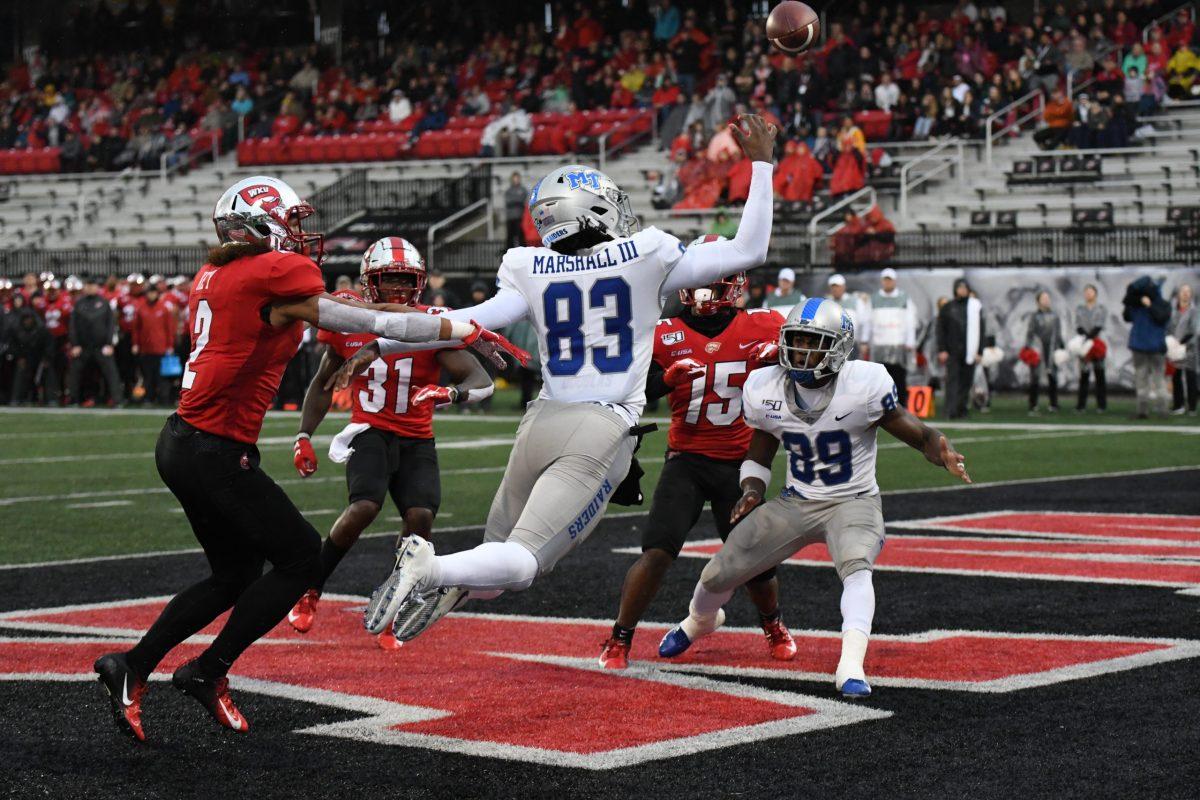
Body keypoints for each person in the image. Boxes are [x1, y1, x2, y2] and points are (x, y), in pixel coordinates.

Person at [92, 175, 523, 743]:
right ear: (259, 224)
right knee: (297, 560)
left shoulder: (219, 271)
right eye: (291, 223)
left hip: (185, 441)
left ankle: (134, 667)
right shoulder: (271, 273)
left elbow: (362, 325)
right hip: (214, 448)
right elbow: (379, 324)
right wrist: (465, 324)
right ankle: (206, 671)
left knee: (237, 572)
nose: (301, 236)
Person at [341, 115, 779, 643]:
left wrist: (380, 343)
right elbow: (749, 250)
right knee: (524, 564)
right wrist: (762, 163)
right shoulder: (648, 254)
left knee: (493, 568)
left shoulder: (528, 265)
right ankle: (431, 569)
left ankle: (446, 583)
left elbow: (467, 319)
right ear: (595, 209)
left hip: (541, 422)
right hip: (599, 426)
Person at [657, 299, 971, 697]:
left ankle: (851, 663)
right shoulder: (765, 386)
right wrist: (752, 488)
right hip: (797, 499)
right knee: (723, 567)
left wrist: (940, 451)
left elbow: (918, 433)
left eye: (812, 343)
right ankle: (698, 621)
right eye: (796, 341)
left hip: (852, 499)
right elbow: (763, 442)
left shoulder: (864, 384)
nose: (801, 352)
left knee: (856, 567)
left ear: (839, 348)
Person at [288, 238, 493, 647]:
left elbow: (479, 379)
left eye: (405, 282)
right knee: (364, 504)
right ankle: (311, 587)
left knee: (420, 520)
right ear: (370, 284)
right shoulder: (349, 322)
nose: (399, 290)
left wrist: (451, 394)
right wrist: (303, 435)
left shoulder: (430, 327)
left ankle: (399, 603)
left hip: (417, 437)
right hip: (369, 430)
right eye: (390, 281)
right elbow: (323, 383)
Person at [598, 241, 791, 670]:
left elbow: (808, 366)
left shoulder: (764, 325)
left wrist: (782, 361)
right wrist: (665, 379)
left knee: (754, 559)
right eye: (699, 285)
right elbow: (631, 393)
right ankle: (619, 638)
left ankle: (773, 624)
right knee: (657, 551)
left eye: (713, 285)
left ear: (734, 285)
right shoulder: (663, 332)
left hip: (740, 464)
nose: (704, 293)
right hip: (685, 459)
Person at [67, 275, 123, 406]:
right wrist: (75, 344)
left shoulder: (104, 303)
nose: (90, 288)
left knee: (111, 372)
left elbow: (110, 325)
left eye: (93, 285)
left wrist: (109, 344)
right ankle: (73, 399)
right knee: (75, 372)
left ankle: (117, 399)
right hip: (83, 346)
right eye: (88, 285)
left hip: (101, 345)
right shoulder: (79, 304)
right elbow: (73, 326)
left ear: (97, 287)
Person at [1122, 275, 1171, 419]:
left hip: (1142, 346)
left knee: (1146, 379)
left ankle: (1147, 411)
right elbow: (1127, 315)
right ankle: (1158, 411)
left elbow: (1160, 317)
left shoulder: (1142, 306)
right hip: (1152, 346)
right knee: (1155, 379)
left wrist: (1145, 304)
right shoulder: (1163, 304)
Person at [867, 268, 917, 407]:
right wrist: (867, 340)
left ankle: (901, 405)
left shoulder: (904, 298)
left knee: (899, 378)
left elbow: (910, 320)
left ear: (894, 281)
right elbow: (868, 321)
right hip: (879, 345)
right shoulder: (874, 298)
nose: (887, 282)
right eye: (885, 280)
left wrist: (909, 341)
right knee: (880, 379)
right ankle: (881, 406)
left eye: (890, 280)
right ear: (882, 281)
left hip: (898, 344)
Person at [937, 278, 985, 419]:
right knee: (952, 381)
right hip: (952, 351)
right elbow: (941, 330)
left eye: (965, 288)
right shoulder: (948, 308)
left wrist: (979, 351)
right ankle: (950, 410)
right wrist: (942, 349)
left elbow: (981, 330)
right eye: (960, 287)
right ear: (955, 289)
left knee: (966, 381)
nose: (962, 290)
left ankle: (961, 409)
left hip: (969, 351)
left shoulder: (975, 308)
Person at [131, 282, 176, 406]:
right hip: (146, 349)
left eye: (153, 292)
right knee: (148, 376)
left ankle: (163, 398)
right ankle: (149, 398)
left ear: (157, 293)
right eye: (149, 293)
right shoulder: (141, 308)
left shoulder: (164, 308)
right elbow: (136, 328)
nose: (151, 295)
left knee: (162, 376)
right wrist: (135, 344)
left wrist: (170, 345)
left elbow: (169, 328)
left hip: (161, 348)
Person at [1025, 291, 1064, 413]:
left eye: (1048, 298)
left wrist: (1061, 346)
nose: (1046, 300)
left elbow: (1058, 333)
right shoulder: (1034, 316)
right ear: (1038, 301)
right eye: (1044, 298)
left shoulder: (1055, 316)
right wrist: (1029, 347)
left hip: (1051, 349)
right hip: (1038, 349)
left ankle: (1053, 403)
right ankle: (1033, 404)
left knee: (1052, 376)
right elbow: (1030, 333)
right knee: (1035, 377)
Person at [1074, 284, 1107, 412]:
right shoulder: (1080, 309)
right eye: (1086, 292)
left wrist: (1091, 338)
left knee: (1100, 375)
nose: (1088, 294)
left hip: (1097, 344)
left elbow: (1100, 325)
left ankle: (1101, 405)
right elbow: (1078, 325)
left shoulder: (1101, 308)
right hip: (1084, 345)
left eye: (1090, 292)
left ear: (1095, 294)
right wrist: (1085, 338)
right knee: (1084, 375)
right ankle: (1081, 405)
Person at [1168, 284, 1197, 415]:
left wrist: (1182, 342)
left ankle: (1192, 407)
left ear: (1191, 294)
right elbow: (1168, 328)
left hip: (1190, 347)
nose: (1185, 293)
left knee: (1191, 377)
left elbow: (1194, 330)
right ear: (1178, 294)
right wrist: (1171, 342)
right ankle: (1178, 405)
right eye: (1183, 291)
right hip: (1174, 348)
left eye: (1188, 291)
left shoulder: (1195, 311)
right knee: (1176, 377)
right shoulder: (1172, 310)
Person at [826, 274, 869, 356]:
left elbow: (864, 322)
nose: (835, 289)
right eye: (833, 287)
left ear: (843, 287)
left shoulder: (856, 301)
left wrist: (864, 341)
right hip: (832, 344)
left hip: (851, 344)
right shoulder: (828, 303)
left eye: (837, 286)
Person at [504, 172, 527, 249]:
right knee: (510, 237)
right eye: (515, 178)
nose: (516, 180)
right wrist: (517, 201)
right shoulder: (508, 190)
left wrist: (515, 201)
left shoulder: (523, 189)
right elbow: (508, 201)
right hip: (510, 218)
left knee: (520, 236)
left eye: (517, 178)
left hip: (520, 217)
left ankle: (522, 252)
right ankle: (509, 252)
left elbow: (522, 199)